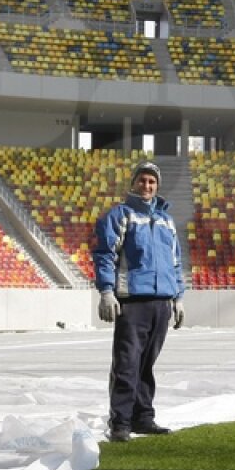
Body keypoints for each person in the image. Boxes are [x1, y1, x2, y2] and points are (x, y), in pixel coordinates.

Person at [92, 160, 186, 443]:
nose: (147, 186)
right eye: (142, 180)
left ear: (157, 186)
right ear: (133, 183)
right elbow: (105, 255)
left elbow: (175, 261)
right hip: (132, 301)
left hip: (162, 302)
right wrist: (107, 291)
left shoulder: (167, 221)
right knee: (127, 362)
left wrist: (178, 298)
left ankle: (143, 417)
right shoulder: (120, 215)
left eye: (152, 182)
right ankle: (120, 421)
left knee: (147, 364)